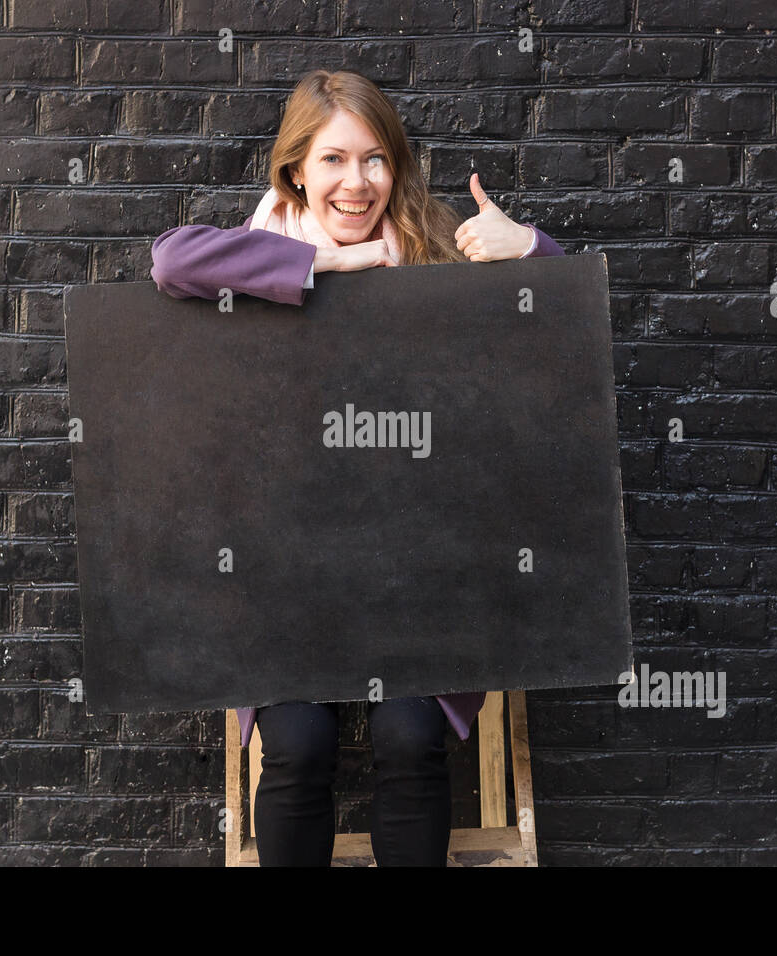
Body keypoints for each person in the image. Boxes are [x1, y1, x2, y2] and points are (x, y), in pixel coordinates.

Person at [149, 69, 565, 866]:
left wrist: (529, 249)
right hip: (285, 580)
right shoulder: (260, 252)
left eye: (375, 160)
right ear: (297, 170)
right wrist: (322, 270)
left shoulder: (435, 247)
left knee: (411, 738)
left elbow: (568, 330)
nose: (356, 182)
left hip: (420, 574)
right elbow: (171, 262)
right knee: (298, 745)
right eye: (334, 160)